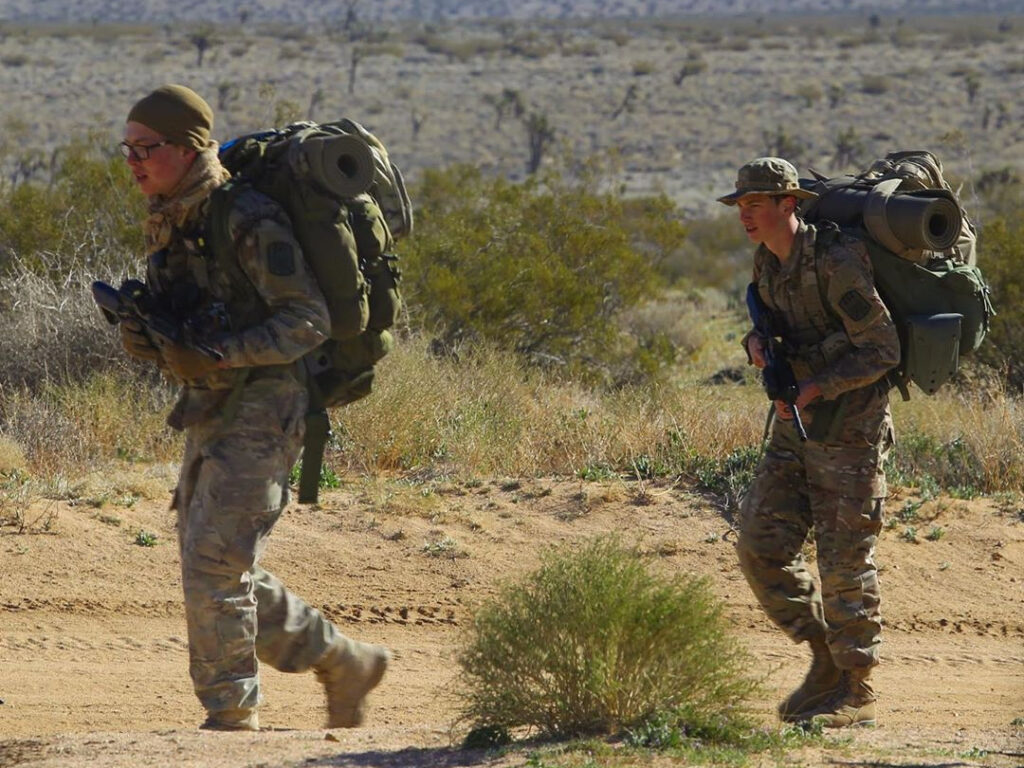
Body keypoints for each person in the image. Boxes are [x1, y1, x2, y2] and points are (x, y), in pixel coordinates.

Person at [118, 84, 389, 732]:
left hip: (267, 403)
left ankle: (231, 716)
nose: (132, 162)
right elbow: (196, 318)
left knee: (215, 559)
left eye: (145, 148)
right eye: (125, 150)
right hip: (213, 402)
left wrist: (217, 354)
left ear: (186, 148)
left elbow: (308, 321)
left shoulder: (244, 215)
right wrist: (151, 338)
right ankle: (345, 660)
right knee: (213, 557)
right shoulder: (171, 211)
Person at [720, 157, 900, 728]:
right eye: (741, 205)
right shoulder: (766, 264)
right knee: (759, 545)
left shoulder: (836, 261)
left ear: (787, 205)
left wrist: (818, 385)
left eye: (756, 204)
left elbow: (882, 349)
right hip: (795, 428)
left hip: (851, 431)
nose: (746, 215)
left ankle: (854, 689)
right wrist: (756, 345)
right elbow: (773, 326)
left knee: (844, 562)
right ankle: (825, 656)